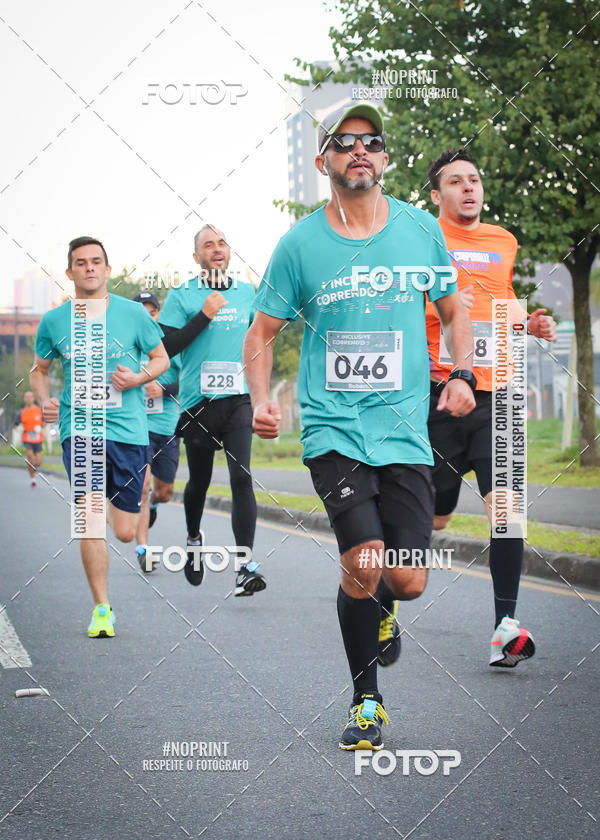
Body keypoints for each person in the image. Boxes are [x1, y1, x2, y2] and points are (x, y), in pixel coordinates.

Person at [243, 104, 475, 750]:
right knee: (366, 562)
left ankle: (379, 614)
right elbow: (260, 332)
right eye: (344, 144)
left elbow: (455, 310)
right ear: (324, 163)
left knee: (406, 578)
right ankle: (366, 700)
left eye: (371, 141)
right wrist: (262, 399)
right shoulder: (299, 245)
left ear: (385, 157)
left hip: (404, 429)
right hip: (333, 426)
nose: (359, 151)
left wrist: (462, 374)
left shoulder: (419, 230)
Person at [425, 148, 557, 667]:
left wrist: (529, 325)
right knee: (432, 519)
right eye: (455, 182)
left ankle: (505, 625)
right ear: (437, 196)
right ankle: (384, 603)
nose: (468, 188)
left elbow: (495, 306)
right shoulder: (423, 239)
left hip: (496, 394)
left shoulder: (504, 241)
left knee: (507, 511)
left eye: (474, 179)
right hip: (437, 393)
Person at [30, 236, 168, 637]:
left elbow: (161, 358)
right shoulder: (54, 321)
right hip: (81, 428)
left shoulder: (133, 314)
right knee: (89, 519)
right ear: (70, 272)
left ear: (107, 270)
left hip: (128, 430)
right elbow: (39, 369)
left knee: (124, 531)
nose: (89, 267)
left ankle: (116, 500)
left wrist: (138, 377)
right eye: (80, 262)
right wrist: (45, 401)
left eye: (96, 261)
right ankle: (102, 609)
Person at [159, 225, 266, 596]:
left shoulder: (247, 292)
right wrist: (203, 315)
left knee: (241, 477)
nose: (216, 249)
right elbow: (166, 348)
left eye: (222, 242)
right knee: (199, 482)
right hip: (197, 403)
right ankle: (193, 540)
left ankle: (244, 565)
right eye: (208, 245)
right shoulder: (182, 294)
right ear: (196, 257)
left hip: (238, 398)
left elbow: (258, 339)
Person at [132, 291, 181, 572]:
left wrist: (163, 388)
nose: (148, 316)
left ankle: (152, 506)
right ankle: (144, 549)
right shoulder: (126, 346)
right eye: (142, 311)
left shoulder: (170, 347)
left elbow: (186, 382)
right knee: (142, 487)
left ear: (158, 315)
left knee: (163, 492)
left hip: (167, 427)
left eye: (152, 312)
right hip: (137, 429)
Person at [15, 391, 44, 486]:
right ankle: (33, 479)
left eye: (30, 397)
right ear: (24, 399)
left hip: (38, 439)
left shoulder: (39, 411)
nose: (28, 399)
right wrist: (19, 429)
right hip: (27, 439)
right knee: (30, 457)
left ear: (33, 398)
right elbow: (16, 425)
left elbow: (44, 422)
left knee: (38, 462)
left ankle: (33, 467)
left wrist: (40, 427)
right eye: (26, 397)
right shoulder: (21, 412)